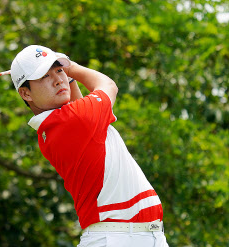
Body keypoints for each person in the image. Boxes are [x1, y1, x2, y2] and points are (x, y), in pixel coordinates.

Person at [10, 45, 169, 247]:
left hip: (139, 235)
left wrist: (64, 74)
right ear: (26, 94)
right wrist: (72, 67)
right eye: (43, 76)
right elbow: (109, 85)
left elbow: (76, 103)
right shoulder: (73, 120)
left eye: (59, 70)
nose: (59, 79)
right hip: (116, 238)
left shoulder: (55, 125)